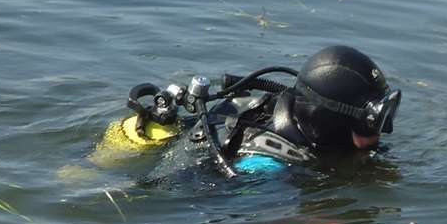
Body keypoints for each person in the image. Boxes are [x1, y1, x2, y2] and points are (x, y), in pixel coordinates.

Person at [91, 46, 401, 177]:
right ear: (329, 122)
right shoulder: (267, 166)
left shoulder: (281, 107)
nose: (380, 134)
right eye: (370, 123)